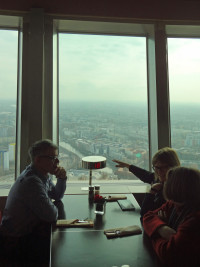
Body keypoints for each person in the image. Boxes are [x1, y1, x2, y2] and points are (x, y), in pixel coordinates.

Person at [0, 139, 67, 264]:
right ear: (38, 160)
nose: (57, 162)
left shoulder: (40, 175)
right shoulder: (32, 182)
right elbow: (51, 215)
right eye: (53, 158)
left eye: (57, 157)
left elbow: (57, 195)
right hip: (15, 243)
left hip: (25, 234)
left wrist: (62, 179)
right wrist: (48, 204)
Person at [143, 166, 200, 267]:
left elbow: (168, 255)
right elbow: (147, 216)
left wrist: (155, 232)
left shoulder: (194, 219)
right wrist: (162, 228)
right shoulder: (173, 204)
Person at [113, 147, 180, 218]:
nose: (159, 171)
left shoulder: (175, 191)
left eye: (163, 167)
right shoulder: (159, 179)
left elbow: (144, 213)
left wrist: (151, 192)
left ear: (173, 167)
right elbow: (145, 175)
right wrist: (128, 166)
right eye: (156, 168)